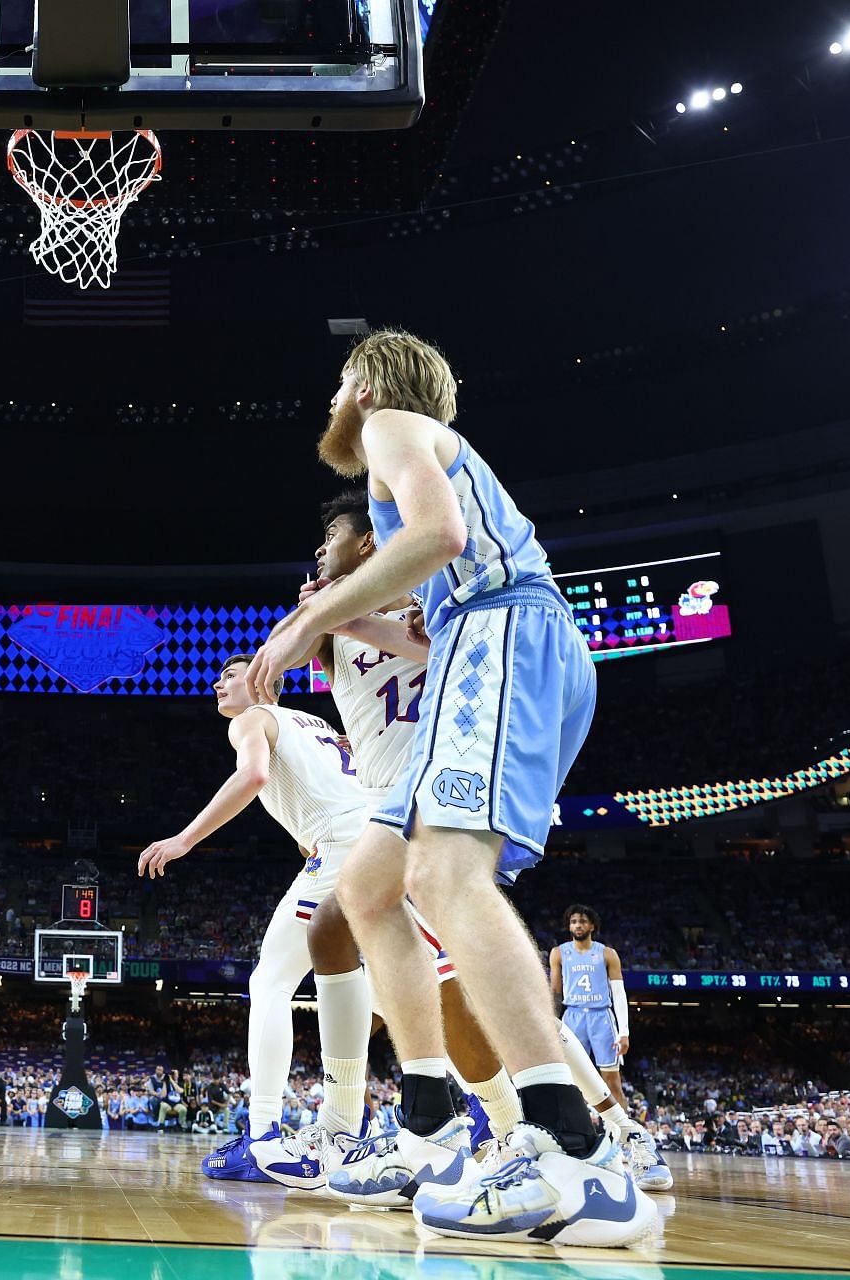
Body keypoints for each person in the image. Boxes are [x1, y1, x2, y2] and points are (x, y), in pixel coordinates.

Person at [246, 329, 656, 1246]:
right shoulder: (410, 450)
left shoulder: (392, 422)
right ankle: (431, 1128)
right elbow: (429, 582)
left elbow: (442, 535)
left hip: (504, 631)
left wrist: (308, 616)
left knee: (445, 879)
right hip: (485, 643)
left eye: (337, 385)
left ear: (360, 384)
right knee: (366, 888)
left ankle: (576, 1151)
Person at [138, 655, 375, 1189]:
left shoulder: (252, 719)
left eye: (232, 673)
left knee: (270, 980)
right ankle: (469, 1103)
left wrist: (184, 840)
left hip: (342, 846)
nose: (219, 681)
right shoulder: (316, 726)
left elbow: (254, 775)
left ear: (264, 683)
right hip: (383, 840)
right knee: (397, 985)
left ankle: (263, 1134)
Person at [549, 905, 631, 1108]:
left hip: (601, 1017)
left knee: (612, 1081)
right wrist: (550, 1023)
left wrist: (624, 1031)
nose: (578, 925)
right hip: (573, 1017)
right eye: (574, 921)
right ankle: (575, 1130)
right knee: (569, 1080)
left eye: (583, 921)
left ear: (592, 926)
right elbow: (555, 993)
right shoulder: (559, 953)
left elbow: (619, 993)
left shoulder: (607, 953)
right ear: (569, 926)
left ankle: (624, 1133)